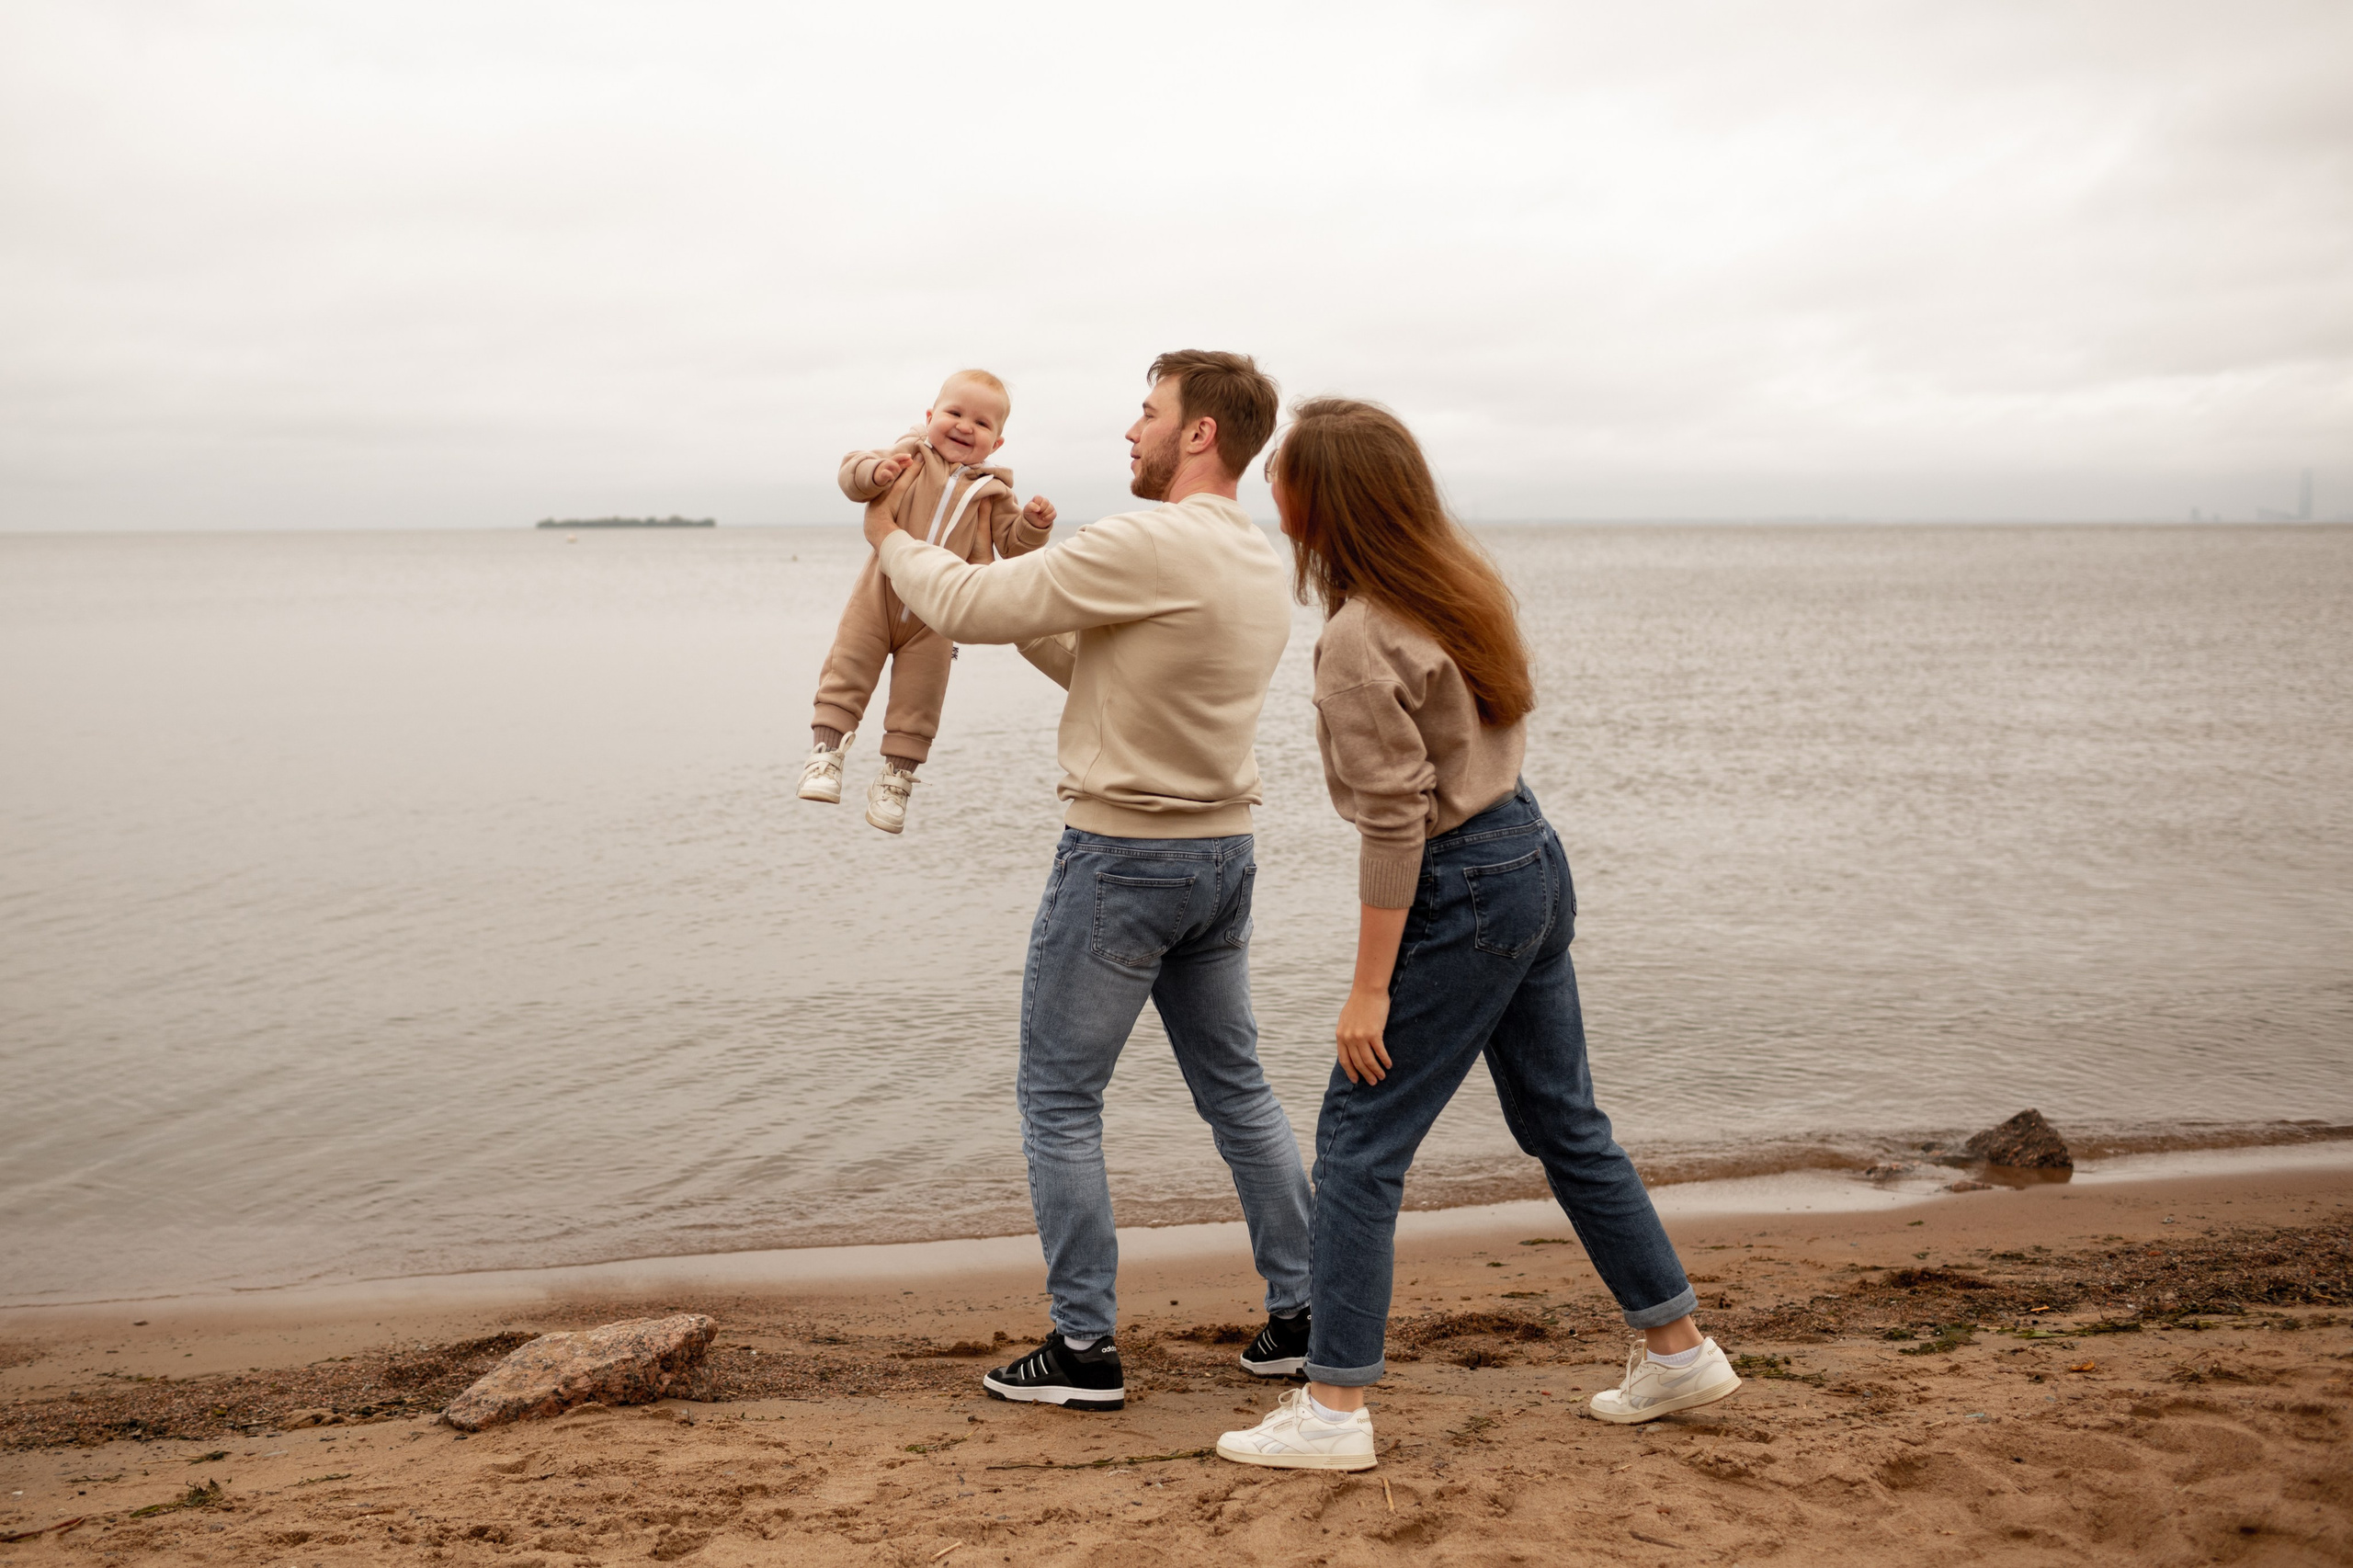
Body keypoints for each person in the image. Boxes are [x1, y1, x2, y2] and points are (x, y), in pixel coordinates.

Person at [1215, 398, 1739, 1472]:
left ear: (1328, 499)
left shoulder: (1358, 638)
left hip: (1463, 882)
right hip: (1527, 853)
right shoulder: (1453, 585)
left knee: (1358, 1144)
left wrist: (1368, 988)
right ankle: (1678, 1348)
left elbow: (1395, 822)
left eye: (1282, 471)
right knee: (1566, 1124)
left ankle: (1333, 1409)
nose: (1269, 484)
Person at [859, 351, 1316, 1411]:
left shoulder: (1145, 539)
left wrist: (889, 538)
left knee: (1059, 1098)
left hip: (1123, 857)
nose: (1130, 430)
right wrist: (1019, 577)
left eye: (1148, 413)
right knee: (1237, 1088)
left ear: (1199, 432)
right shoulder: (1252, 560)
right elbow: (1091, 663)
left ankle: (1082, 1346)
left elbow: (966, 602)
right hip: (1221, 856)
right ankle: (1306, 1313)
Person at [798, 369, 1059, 833]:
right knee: (848, 668)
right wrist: (874, 473)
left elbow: (1012, 545)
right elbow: (851, 471)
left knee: (921, 697)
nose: (964, 426)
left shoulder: (993, 491)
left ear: (997, 443)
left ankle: (896, 781)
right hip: (879, 593)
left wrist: (1033, 526)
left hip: (937, 612)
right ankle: (825, 754)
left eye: (981, 423)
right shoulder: (909, 455)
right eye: (954, 413)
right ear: (930, 415)